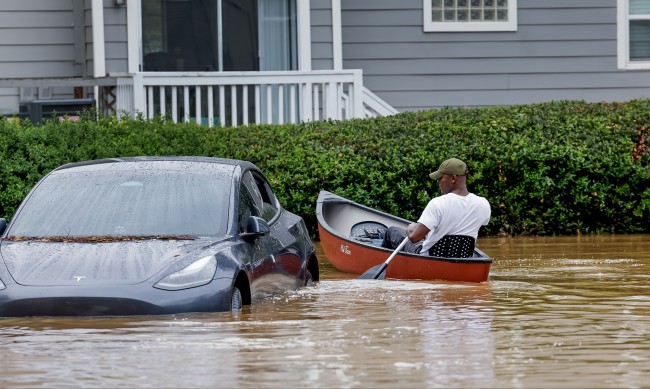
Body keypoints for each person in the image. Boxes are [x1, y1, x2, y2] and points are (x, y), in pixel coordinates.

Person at [381, 158, 491, 255]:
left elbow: (414, 237)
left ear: (453, 179)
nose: (438, 182)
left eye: (440, 178)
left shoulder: (438, 203)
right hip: (462, 257)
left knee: (392, 231)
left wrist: (411, 228)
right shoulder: (483, 204)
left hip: (429, 258)